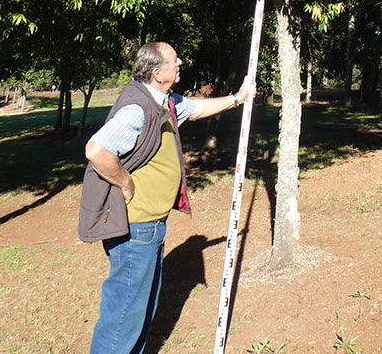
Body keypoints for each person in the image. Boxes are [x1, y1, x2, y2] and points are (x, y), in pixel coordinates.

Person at [79, 41, 252, 354]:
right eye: (174, 60)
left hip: (151, 226)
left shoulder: (165, 103)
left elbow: (197, 108)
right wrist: (125, 183)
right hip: (136, 227)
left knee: (142, 309)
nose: (180, 62)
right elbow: (96, 150)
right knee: (124, 316)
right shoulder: (138, 107)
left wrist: (238, 99)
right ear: (158, 72)